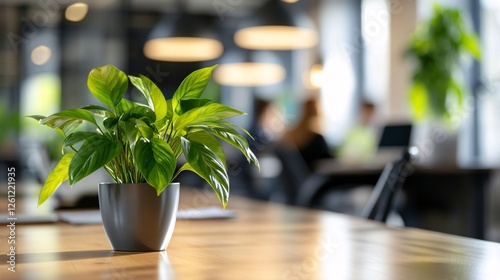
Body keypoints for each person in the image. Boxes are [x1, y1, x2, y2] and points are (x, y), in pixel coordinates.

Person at [279, 94, 332, 171]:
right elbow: (328, 160)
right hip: (315, 178)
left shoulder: (291, 134)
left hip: (299, 177)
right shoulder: (316, 138)